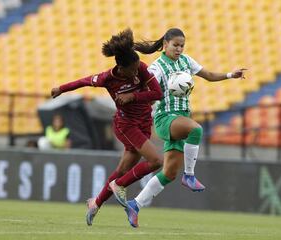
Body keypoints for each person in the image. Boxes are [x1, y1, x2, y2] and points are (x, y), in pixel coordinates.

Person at [122, 28, 247, 228]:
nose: (179, 49)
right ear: (165, 44)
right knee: (196, 130)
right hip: (165, 118)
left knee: (169, 173)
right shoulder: (156, 68)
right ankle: (189, 175)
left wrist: (231, 74)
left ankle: (134, 204)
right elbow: (144, 91)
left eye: (182, 46)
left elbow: (209, 75)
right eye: (176, 45)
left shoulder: (187, 61)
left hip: (182, 118)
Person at [50, 28, 163, 226]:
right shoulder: (107, 79)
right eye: (133, 70)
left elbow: (157, 93)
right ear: (121, 68)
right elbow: (83, 81)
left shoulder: (141, 68)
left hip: (144, 123)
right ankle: (119, 186)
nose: (137, 73)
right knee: (155, 161)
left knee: (123, 168)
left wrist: (133, 96)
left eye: (138, 68)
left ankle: (96, 203)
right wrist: (61, 88)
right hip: (126, 125)